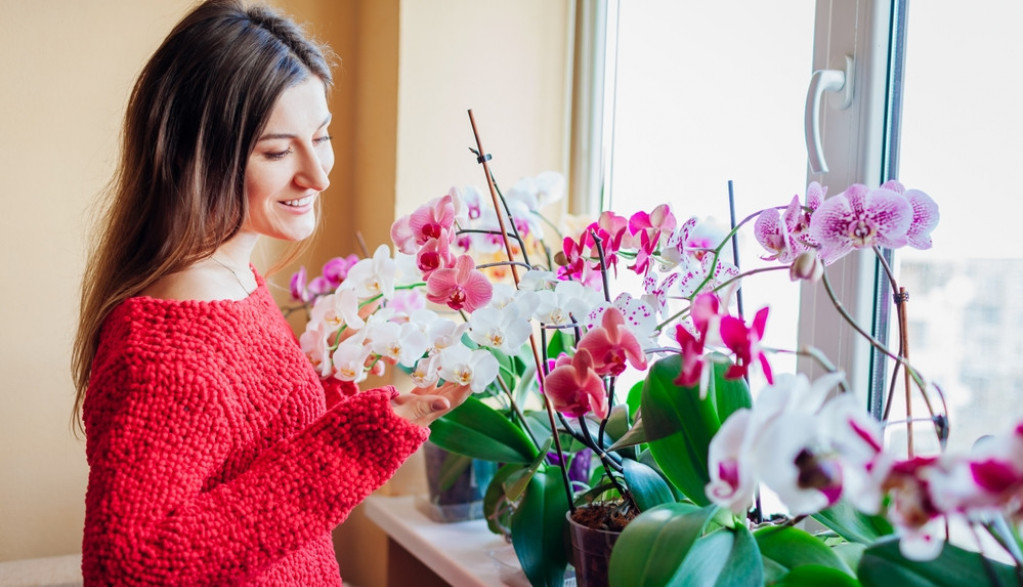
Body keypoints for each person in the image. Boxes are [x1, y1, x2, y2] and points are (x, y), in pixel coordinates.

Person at [70, 1, 470, 584]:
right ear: (191, 155)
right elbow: (132, 565)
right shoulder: (167, 347)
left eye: (321, 136)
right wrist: (353, 447)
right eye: (278, 151)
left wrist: (339, 399)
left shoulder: (232, 280)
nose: (319, 175)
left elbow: (242, 456)